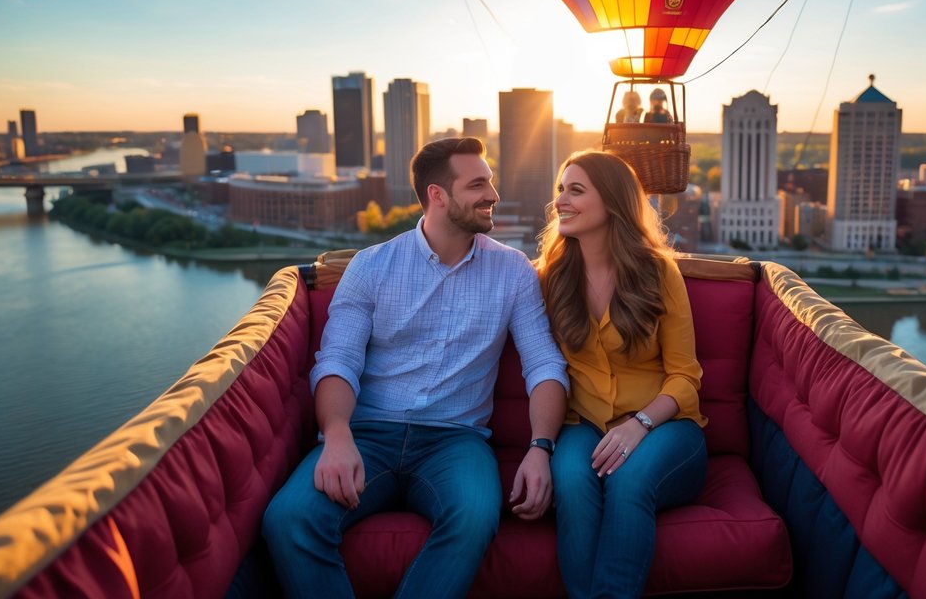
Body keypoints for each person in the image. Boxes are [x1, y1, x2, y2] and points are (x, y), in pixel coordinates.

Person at [263, 137, 569, 599]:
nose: (493, 194)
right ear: (437, 196)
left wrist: (541, 447)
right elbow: (338, 361)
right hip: (368, 433)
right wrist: (338, 434)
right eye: (478, 184)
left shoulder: (513, 272)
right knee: (287, 520)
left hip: (456, 440)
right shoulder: (370, 267)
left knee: (473, 516)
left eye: (490, 182)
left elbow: (544, 363)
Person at [535, 151, 707, 598]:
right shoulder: (551, 277)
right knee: (572, 482)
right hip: (583, 424)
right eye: (560, 190)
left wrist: (641, 424)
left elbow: (685, 377)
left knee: (628, 480)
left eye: (576, 190)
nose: (560, 202)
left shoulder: (658, 272)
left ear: (611, 202)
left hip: (665, 428)